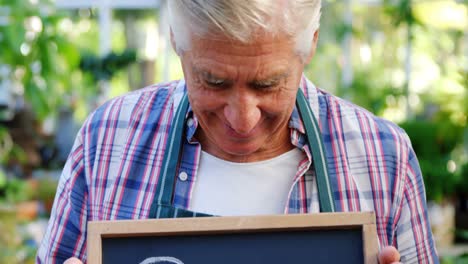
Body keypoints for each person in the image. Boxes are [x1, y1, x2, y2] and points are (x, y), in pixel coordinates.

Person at [37, 1, 438, 263]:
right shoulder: (108, 139)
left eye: (266, 85)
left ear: (310, 45)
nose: (241, 119)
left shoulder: (383, 156)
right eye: (213, 82)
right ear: (176, 41)